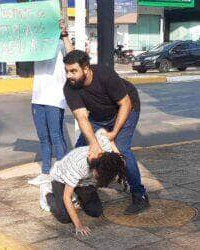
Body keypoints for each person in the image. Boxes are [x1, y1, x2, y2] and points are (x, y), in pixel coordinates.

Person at [60, 24, 149, 215]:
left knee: (122, 149)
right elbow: (82, 117)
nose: (69, 75)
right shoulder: (70, 87)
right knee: (81, 149)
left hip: (126, 107)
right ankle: (87, 188)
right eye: (67, 71)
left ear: (86, 68)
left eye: (73, 71)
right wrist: (93, 144)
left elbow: (125, 104)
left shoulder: (105, 75)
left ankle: (139, 195)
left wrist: (113, 134)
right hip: (99, 115)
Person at [44, 129, 126, 236]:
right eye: (99, 175)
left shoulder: (105, 154)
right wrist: (78, 225)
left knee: (95, 212)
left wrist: (115, 150)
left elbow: (102, 133)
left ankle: (79, 196)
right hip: (61, 178)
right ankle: (49, 195)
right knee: (65, 217)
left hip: (84, 181)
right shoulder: (78, 165)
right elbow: (66, 197)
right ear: (96, 168)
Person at [27, 35, 68, 188]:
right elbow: (16, 48)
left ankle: (62, 174)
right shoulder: (34, 43)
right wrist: (3, 32)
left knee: (56, 136)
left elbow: (71, 55)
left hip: (55, 98)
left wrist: (65, 36)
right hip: (37, 97)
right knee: (43, 138)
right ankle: (45, 173)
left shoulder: (60, 44)